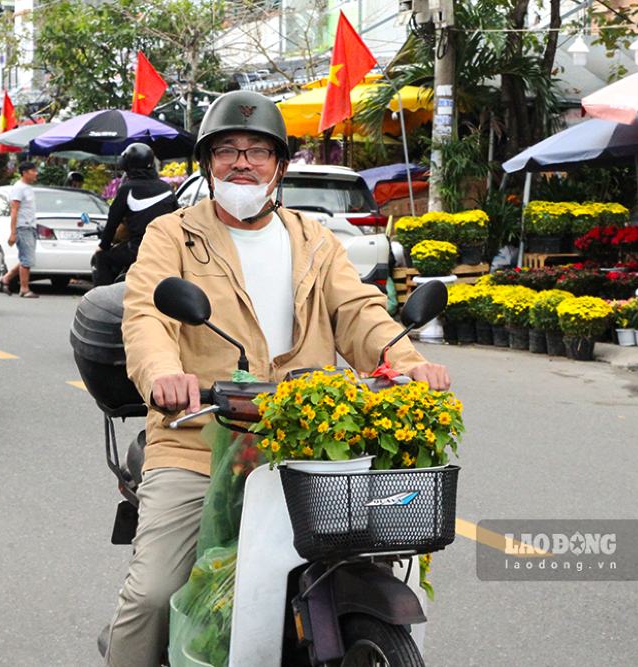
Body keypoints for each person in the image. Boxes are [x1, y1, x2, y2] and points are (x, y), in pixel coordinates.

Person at [103, 90, 450, 666]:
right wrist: (165, 373)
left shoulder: (314, 240)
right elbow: (148, 315)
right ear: (208, 165)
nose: (242, 162)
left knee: (364, 556)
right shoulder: (173, 235)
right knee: (155, 591)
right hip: (199, 440)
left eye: (258, 151)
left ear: (280, 165)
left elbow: (357, 311)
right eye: (227, 151)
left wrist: (406, 362)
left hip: (304, 444)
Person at [93, 143, 177, 286]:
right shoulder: (167, 188)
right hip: (166, 250)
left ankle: (103, 302)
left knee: (102, 258)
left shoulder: (127, 189)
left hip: (138, 248)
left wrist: (103, 246)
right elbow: (177, 217)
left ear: (127, 164)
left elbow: (112, 223)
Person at [0, 161, 39, 298]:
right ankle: (24, 288)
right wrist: (13, 232)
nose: (36, 173)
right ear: (25, 172)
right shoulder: (19, 188)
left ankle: (6, 279)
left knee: (27, 259)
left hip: (31, 227)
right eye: (33, 171)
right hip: (23, 227)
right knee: (27, 260)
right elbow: (14, 210)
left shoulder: (28, 188)